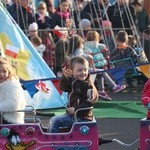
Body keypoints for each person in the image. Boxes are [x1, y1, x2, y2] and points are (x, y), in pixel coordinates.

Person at [47, 56, 99, 133]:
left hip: (83, 117)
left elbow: (90, 102)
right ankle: (53, 136)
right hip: (74, 115)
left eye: (85, 70)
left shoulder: (88, 86)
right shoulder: (73, 81)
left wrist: (75, 109)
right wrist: (65, 76)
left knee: (55, 120)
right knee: (54, 120)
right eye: (79, 70)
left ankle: (52, 141)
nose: (83, 73)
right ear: (71, 71)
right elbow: (63, 87)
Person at [84, 30, 126, 101]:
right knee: (102, 73)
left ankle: (102, 90)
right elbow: (101, 46)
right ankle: (113, 86)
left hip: (95, 63)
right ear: (96, 38)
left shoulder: (86, 45)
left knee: (100, 75)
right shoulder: (97, 44)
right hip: (96, 63)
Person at [0, 56, 26, 124]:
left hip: (10, 120)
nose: (1, 74)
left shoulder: (11, 85)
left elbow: (13, 104)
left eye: (4, 71)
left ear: (9, 72)